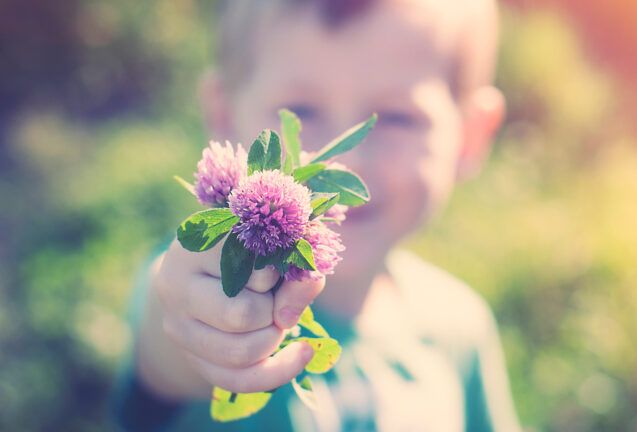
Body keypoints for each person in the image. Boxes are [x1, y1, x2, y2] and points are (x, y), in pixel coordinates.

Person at [113, 0, 521, 430]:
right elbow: (173, 335)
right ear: (223, 114)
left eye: (398, 118)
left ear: (470, 136)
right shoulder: (199, 285)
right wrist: (208, 329)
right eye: (301, 111)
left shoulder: (461, 325)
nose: (346, 165)